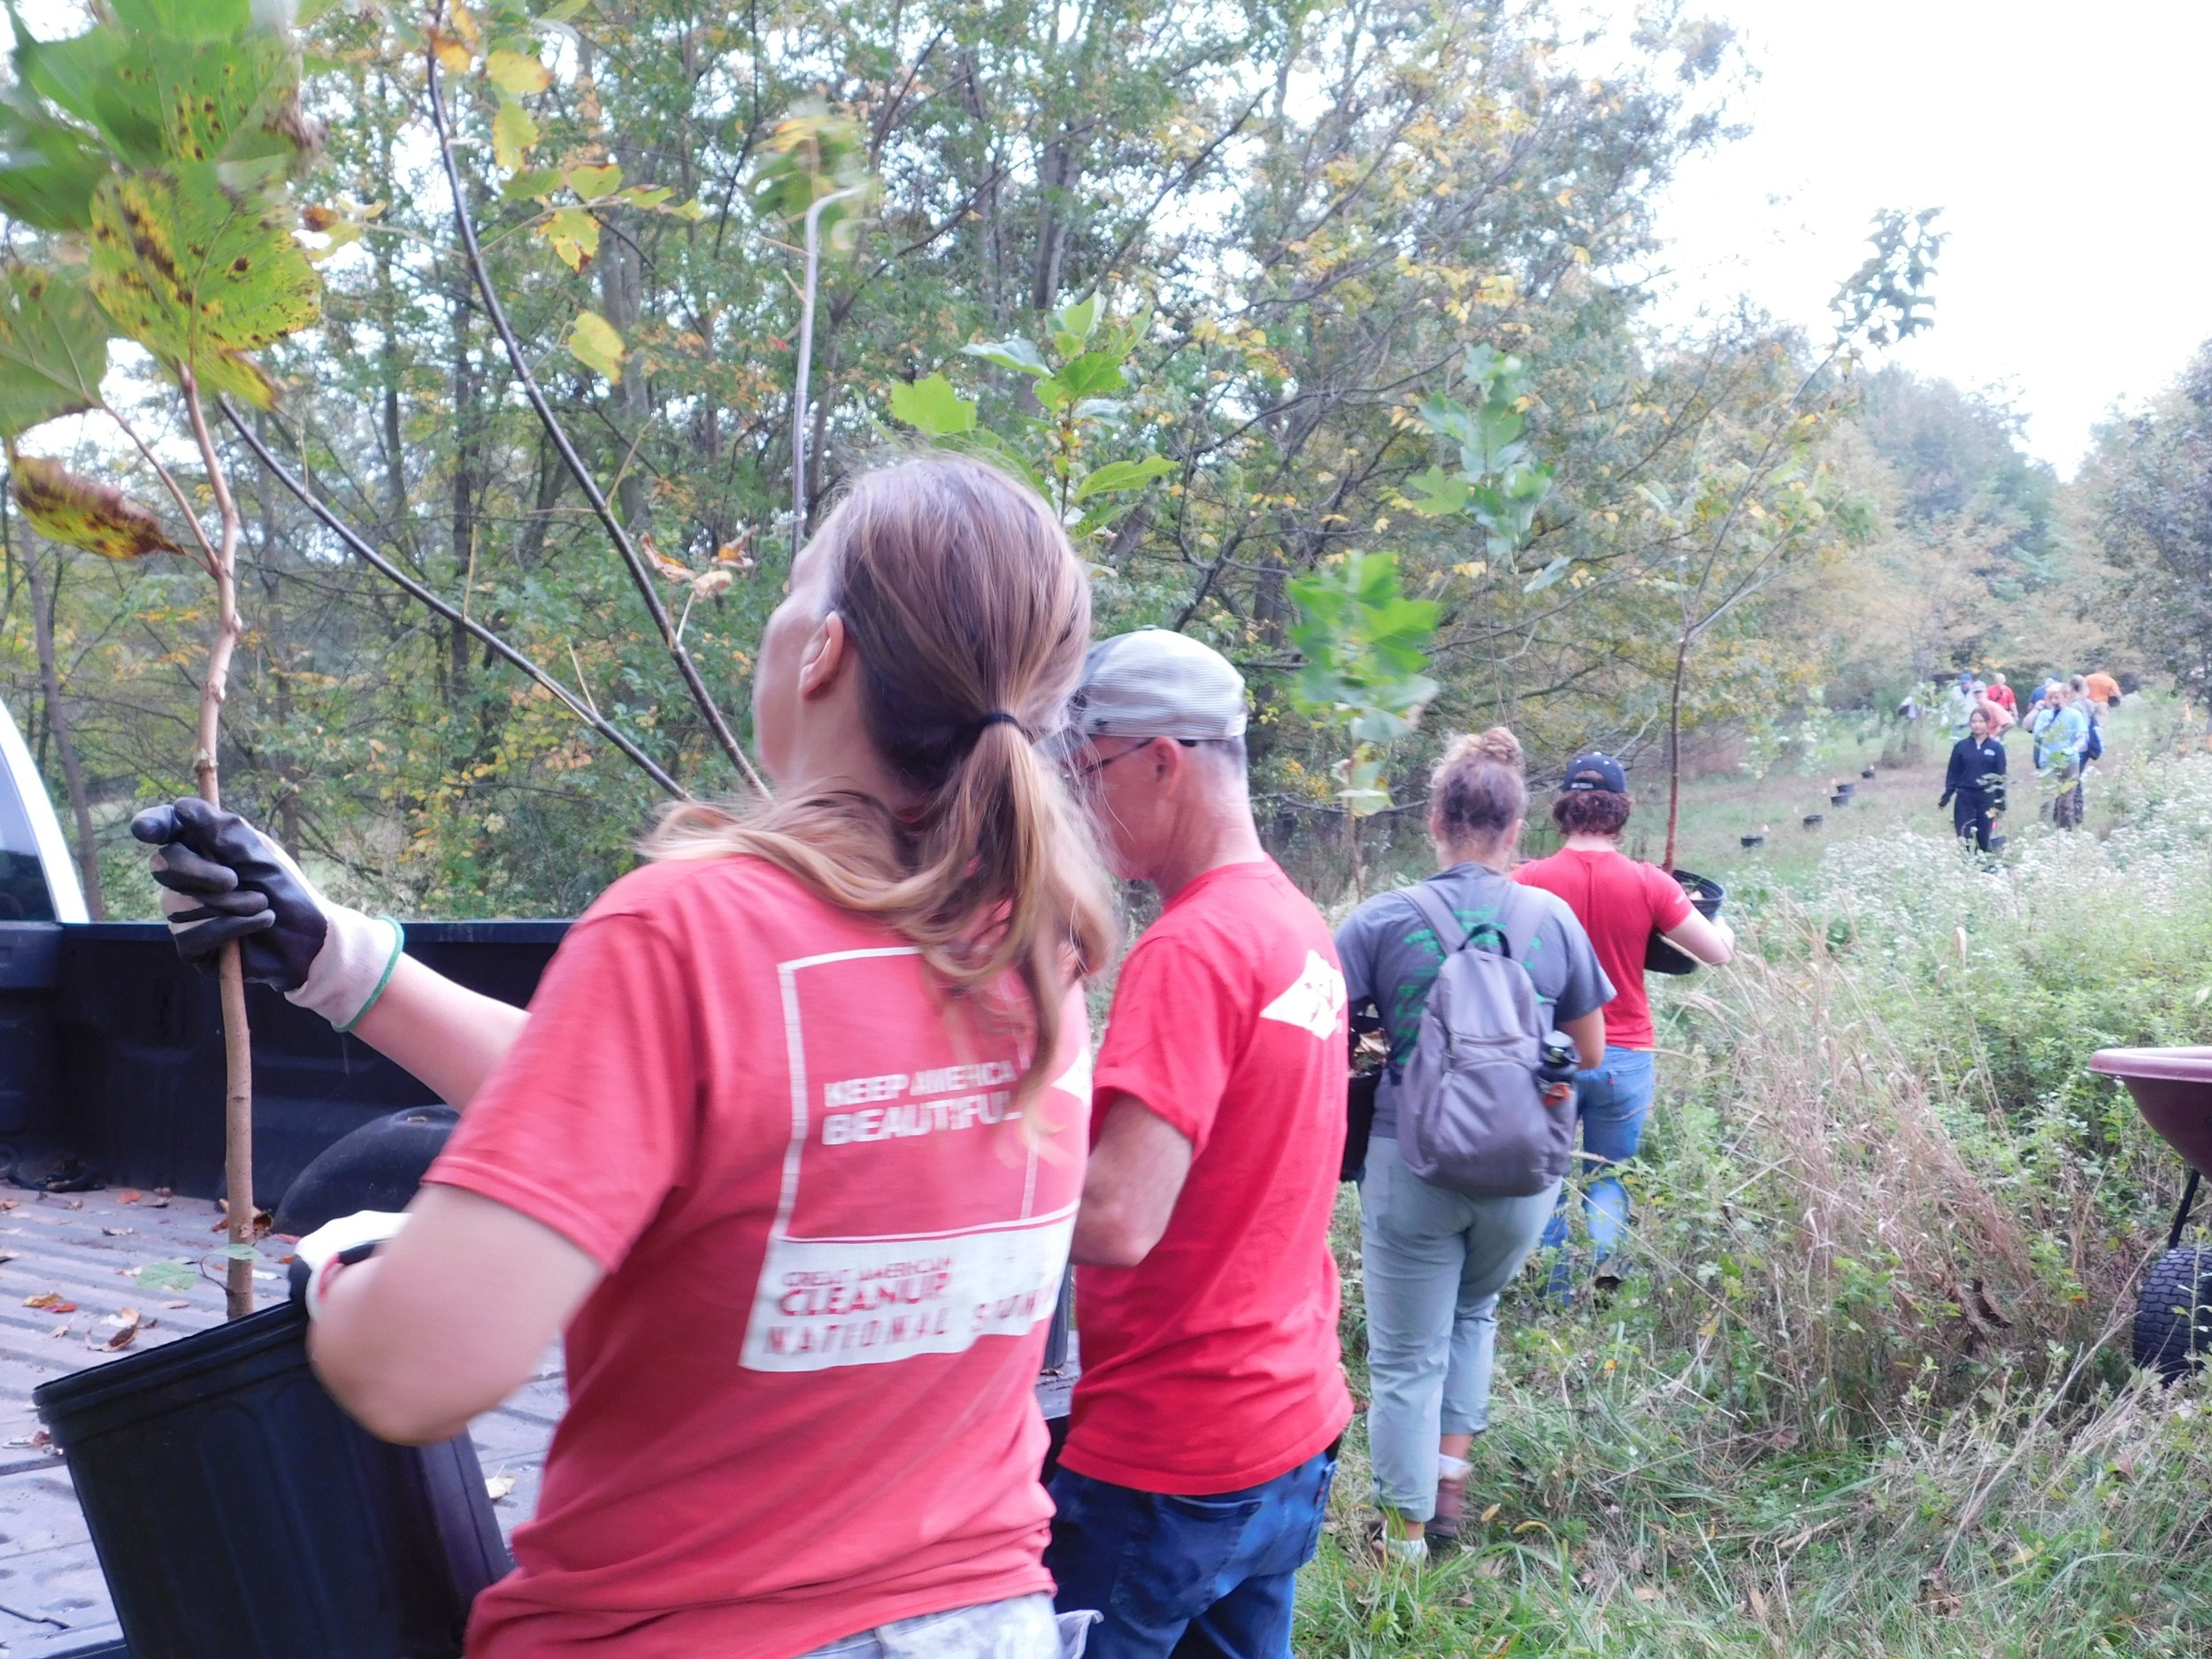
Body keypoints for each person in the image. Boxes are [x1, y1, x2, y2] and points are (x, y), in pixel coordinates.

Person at [132, 457, 1118, 1659]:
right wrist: (339, 960)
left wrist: (349, 1269)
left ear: (826, 652)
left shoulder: (692, 928)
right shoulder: (1030, 946)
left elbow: (410, 1367)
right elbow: (721, 1124)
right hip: (986, 1622)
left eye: (793, 590)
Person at [1047, 628, 1352, 1659]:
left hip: (1167, 1459)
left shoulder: (1191, 946)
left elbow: (1118, 1216)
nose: (1076, 811)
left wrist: (928, 1186)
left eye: (1083, 776)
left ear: (1161, 761)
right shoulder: (1295, 926)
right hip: (1285, 1429)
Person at [1333, 729, 1610, 1562]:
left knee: (1405, 1358)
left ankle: (1406, 1541)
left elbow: (1324, 1035)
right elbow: (1590, 1051)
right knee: (1473, 1312)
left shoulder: (1382, 919)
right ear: (1516, 827)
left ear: (1434, 821)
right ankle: (1450, 1487)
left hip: (1410, 1164)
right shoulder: (1552, 916)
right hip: (1522, 1169)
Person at [1512, 753, 1734, 1298]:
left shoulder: (1526, 881)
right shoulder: (1649, 883)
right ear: (1621, 811)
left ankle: (1555, 1291)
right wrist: (1716, 913)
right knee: (1611, 1173)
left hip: (1551, 1057)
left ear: (1562, 809)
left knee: (1550, 1175)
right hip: (1627, 1054)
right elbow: (1716, 953)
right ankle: (1608, 1280)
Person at [1939, 704, 2007, 852]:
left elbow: (2000, 776)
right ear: (1970, 724)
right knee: (1965, 834)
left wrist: (2000, 801)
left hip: (1987, 797)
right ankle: (1967, 866)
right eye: (1974, 721)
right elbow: (1953, 773)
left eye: (1981, 721)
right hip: (1965, 796)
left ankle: (1986, 867)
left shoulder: (1996, 748)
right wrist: (1947, 796)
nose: (1977, 725)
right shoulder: (1961, 747)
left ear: (1987, 723)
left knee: (1984, 835)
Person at [2032, 679, 2088, 830]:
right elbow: (2037, 736)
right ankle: (2042, 834)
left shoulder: (2075, 715)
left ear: (2066, 697)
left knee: (2066, 801)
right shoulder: (2044, 715)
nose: (2053, 701)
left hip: (2069, 762)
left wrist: (2073, 749)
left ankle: (2065, 834)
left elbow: (2082, 738)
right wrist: (2049, 721)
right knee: (2047, 800)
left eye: (2056, 697)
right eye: (2050, 698)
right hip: (2048, 762)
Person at [1940, 672, 1976, 741]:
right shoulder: (1954, 691)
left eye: (1966, 683)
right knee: (1956, 742)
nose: (1963, 685)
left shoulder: (1975, 692)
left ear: (1971, 682)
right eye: (1962, 683)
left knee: (1970, 742)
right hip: (1956, 721)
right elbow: (1947, 704)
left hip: (1970, 721)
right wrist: (1945, 716)